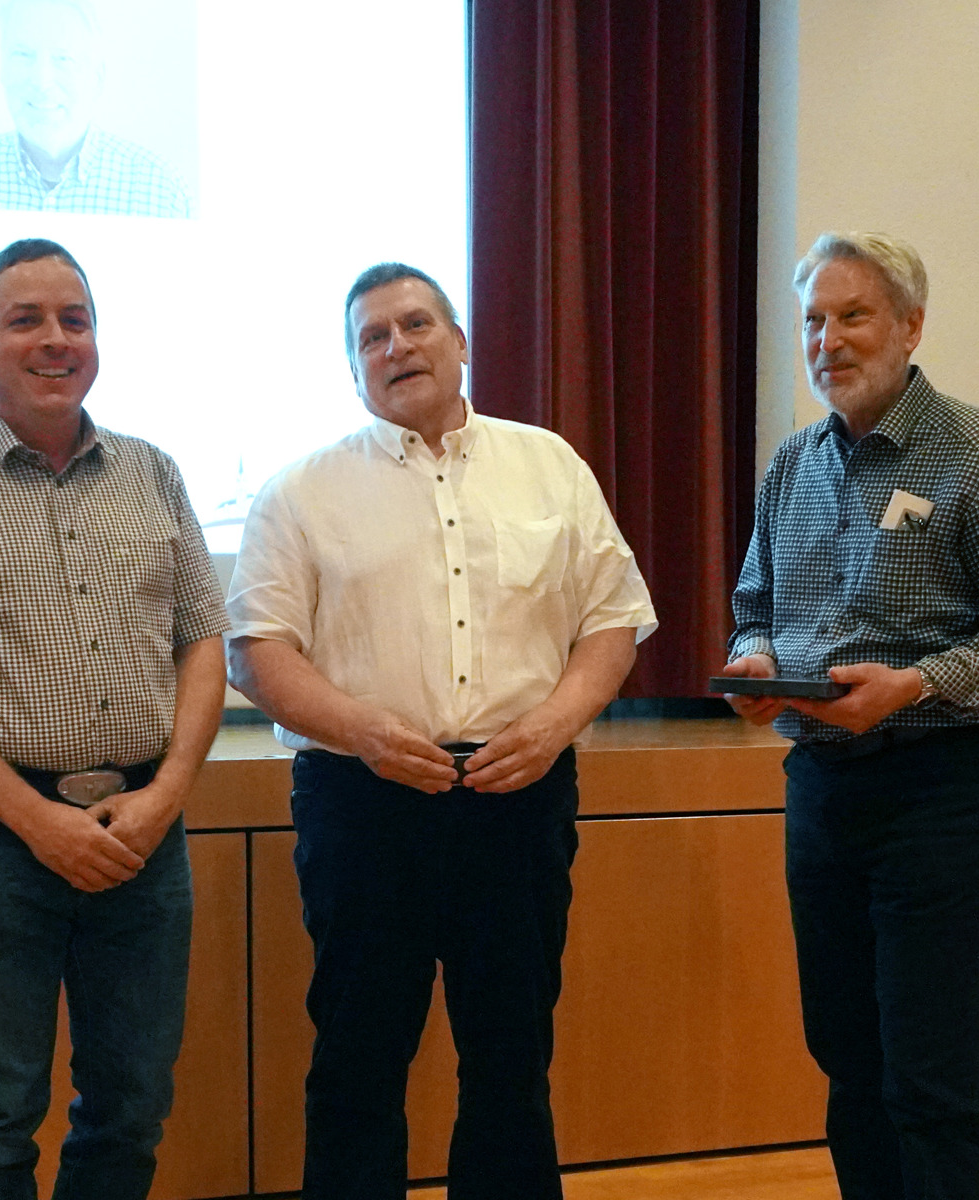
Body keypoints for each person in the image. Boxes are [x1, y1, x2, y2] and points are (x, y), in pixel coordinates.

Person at [226, 263, 657, 1200]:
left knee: (512, 1058)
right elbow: (257, 653)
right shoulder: (301, 491)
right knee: (358, 1058)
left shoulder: (550, 465)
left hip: (518, 795)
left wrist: (554, 726)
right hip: (363, 801)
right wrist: (363, 731)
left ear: (459, 341)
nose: (397, 346)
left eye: (416, 324)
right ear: (354, 372)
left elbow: (612, 622)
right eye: (372, 337)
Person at [0, 238, 228, 1199]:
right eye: (26, 321)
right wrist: (36, 820)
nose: (56, 339)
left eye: (75, 320)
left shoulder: (154, 472)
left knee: (133, 1104)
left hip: (143, 832)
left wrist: (165, 798)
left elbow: (202, 644)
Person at [720, 231, 979, 1199]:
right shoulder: (791, 466)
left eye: (853, 316)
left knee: (933, 1078)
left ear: (911, 326)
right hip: (823, 789)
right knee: (850, 1063)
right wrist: (755, 662)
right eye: (813, 321)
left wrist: (917, 683)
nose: (827, 340)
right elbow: (755, 608)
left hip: (948, 792)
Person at [0, 0, 192, 217]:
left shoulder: (160, 191)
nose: (41, 81)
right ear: (2, 68)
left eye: (63, 58)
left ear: (97, 78)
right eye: (23, 55)